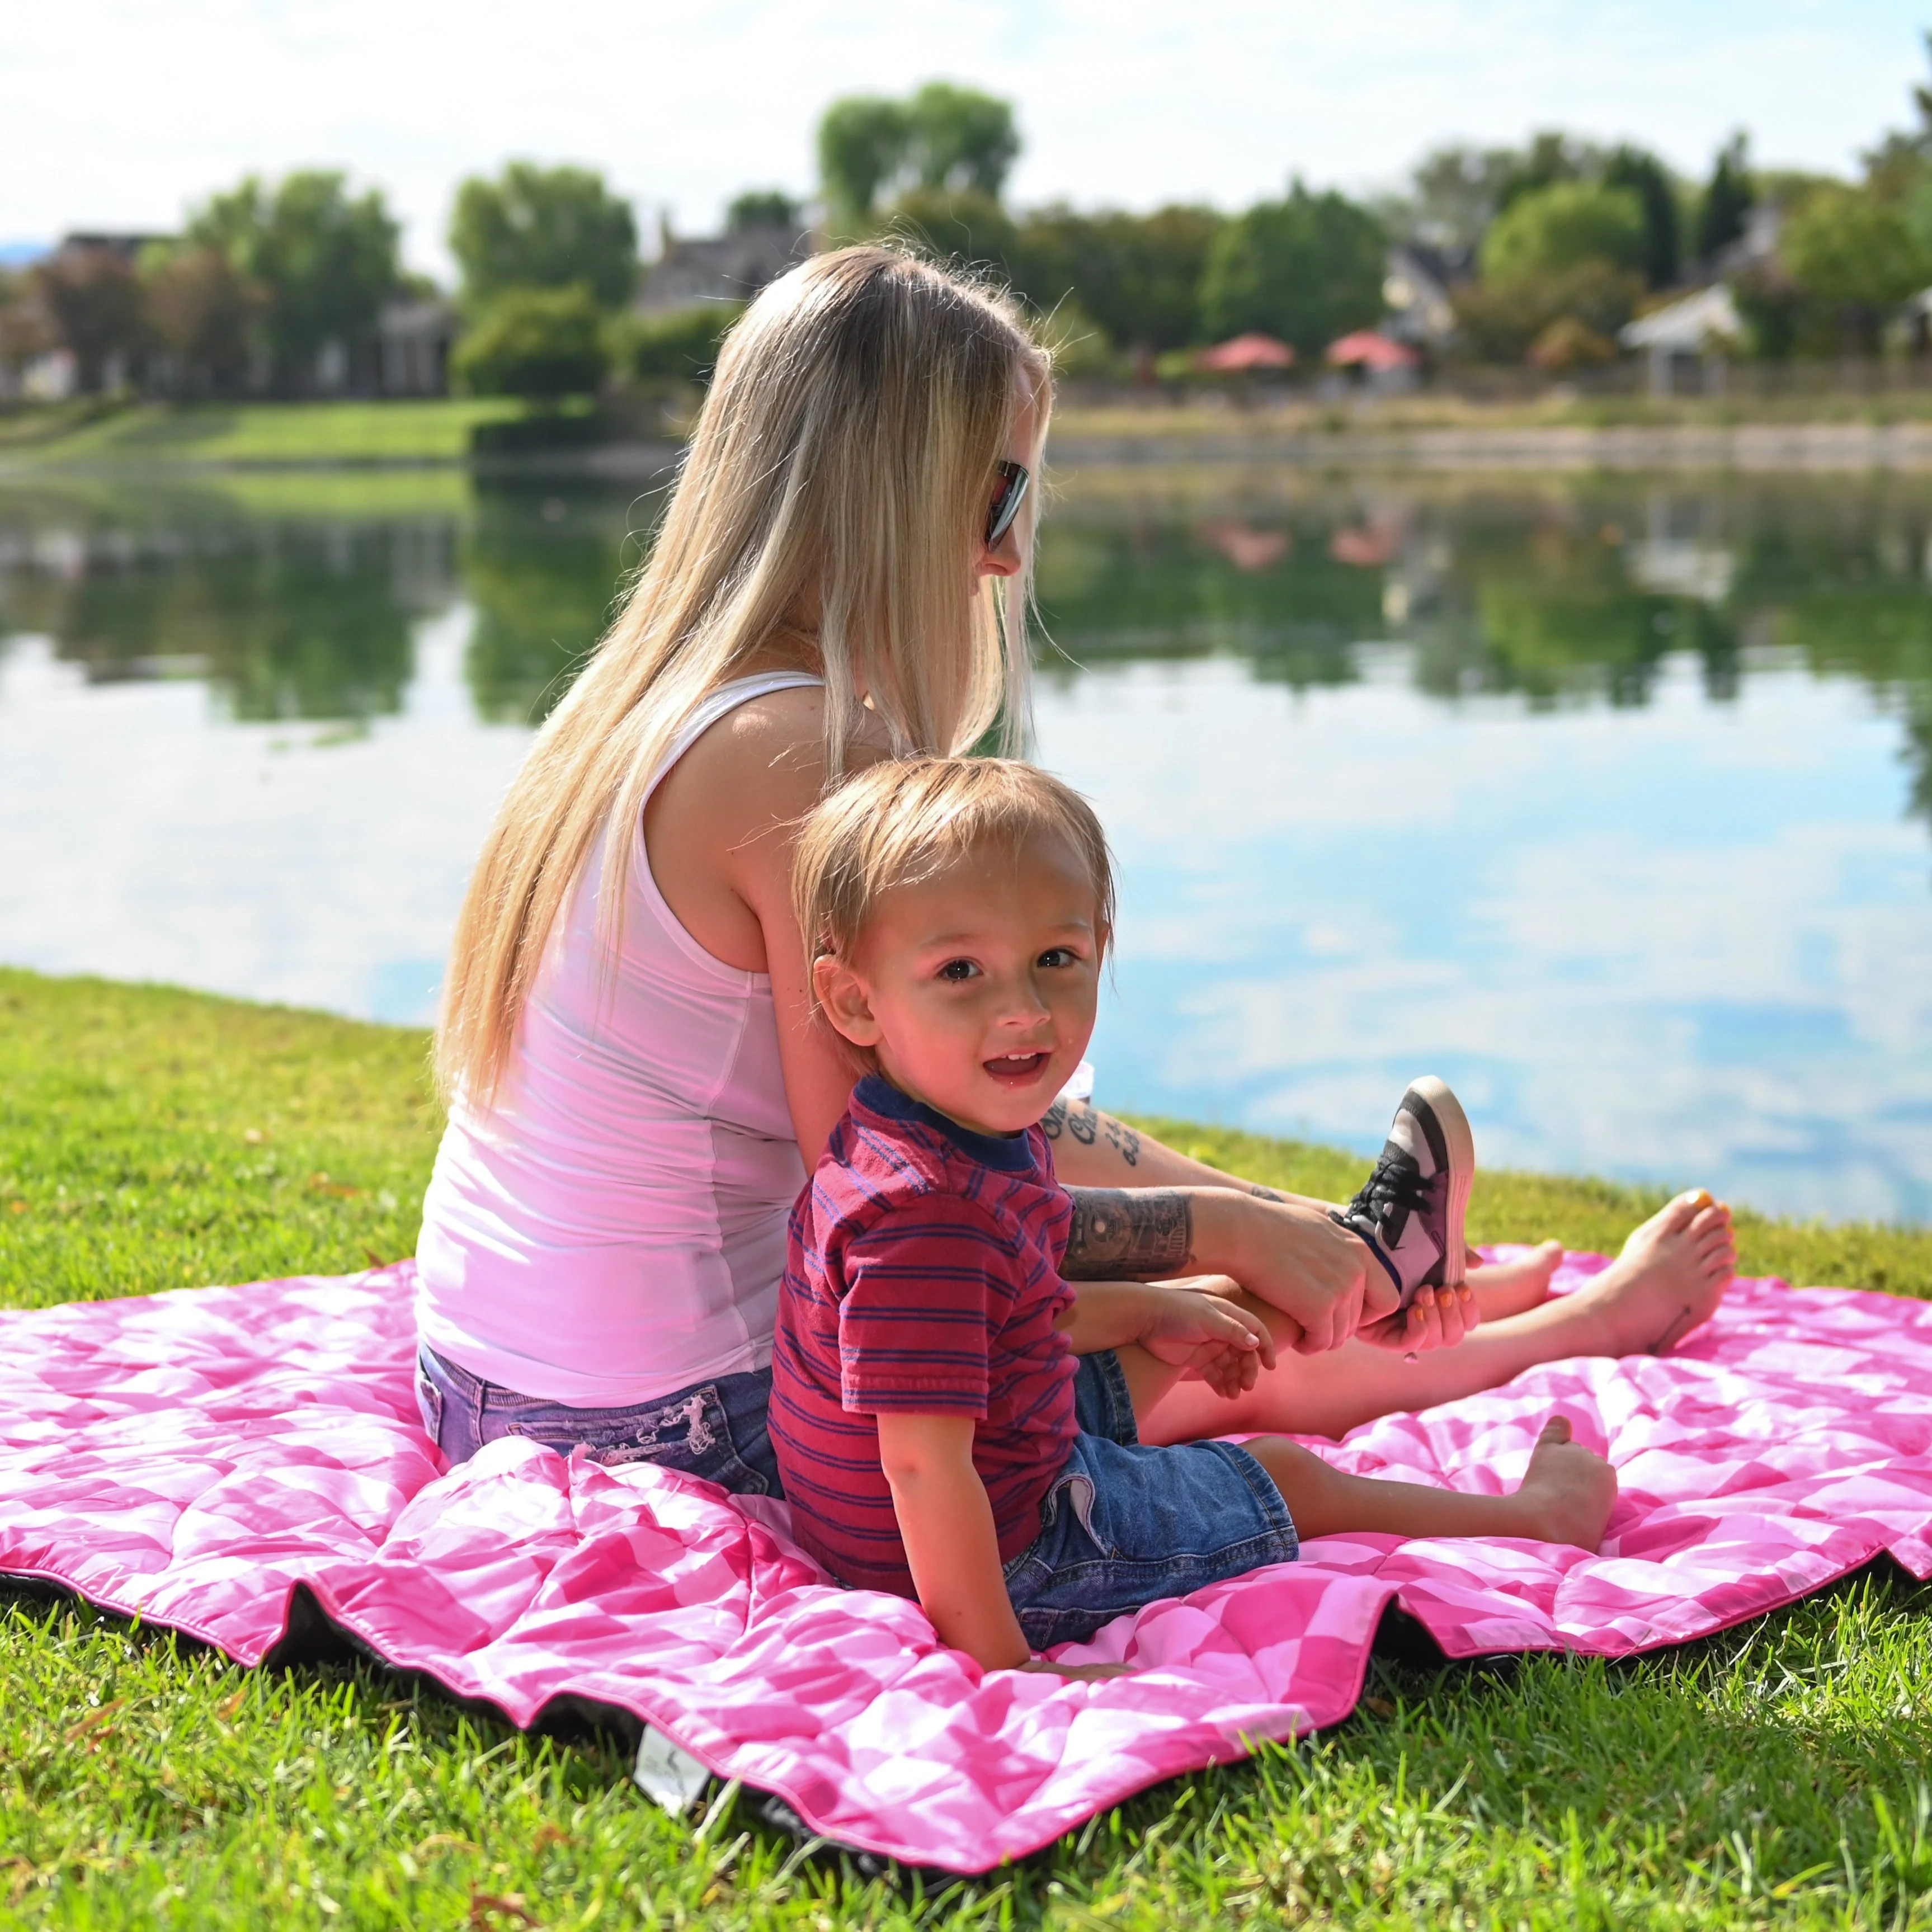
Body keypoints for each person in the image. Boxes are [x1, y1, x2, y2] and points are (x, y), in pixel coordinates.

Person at [413, 242, 1736, 1487]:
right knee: (1185, 1342)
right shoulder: (806, 756)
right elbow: (903, 1202)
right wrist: (1223, 1242)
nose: (1003, 552)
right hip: (674, 1419)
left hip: (481, 1375)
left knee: (1171, 1256)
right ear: (893, 492)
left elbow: (994, 1119)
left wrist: (1266, 1215)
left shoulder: (634, 709)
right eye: (999, 493)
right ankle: (1581, 1326)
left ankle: (1365, 1261)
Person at [770, 757, 1618, 1675]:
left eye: (1055, 960)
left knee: (1218, 1305)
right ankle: (1535, 1519)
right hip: (1001, 1546)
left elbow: (1000, 1313)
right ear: (854, 1000)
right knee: (1282, 1473)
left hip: (992, 1442)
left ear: (1099, 945)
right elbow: (925, 1469)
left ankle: (1382, 1280)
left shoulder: (934, 1126)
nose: (1021, 1010)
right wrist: (1003, 1663)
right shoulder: (925, 1213)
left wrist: (1148, 1311)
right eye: (960, 970)